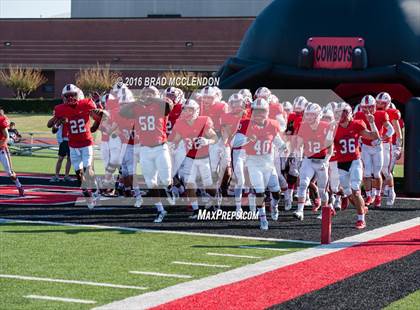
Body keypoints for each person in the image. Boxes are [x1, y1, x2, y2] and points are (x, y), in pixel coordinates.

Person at [47, 84, 107, 209]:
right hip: (73, 144)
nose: (70, 98)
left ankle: (94, 188)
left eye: (72, 95)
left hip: (86, 142)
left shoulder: (86, 104)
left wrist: (100, 115)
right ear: (64, 97)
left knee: (87, 169)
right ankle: (87, 193)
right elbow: (50, 126)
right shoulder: (61, 109)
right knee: (79, 174)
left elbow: (99, 118)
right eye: (67, 96)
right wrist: (55, 121)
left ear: (77, 94)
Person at [333, 102, 379, 229]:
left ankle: (361, 219)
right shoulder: (333, 128)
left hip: (355, 161)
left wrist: (372, 122)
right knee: (348, 192)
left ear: (350, 113)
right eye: (339, 112)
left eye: (344, 112)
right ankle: (362, 208)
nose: (341, 115)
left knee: (355, 190)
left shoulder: (357, 124)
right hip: (341, 163)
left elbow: (373, 136)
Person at [0, 108, 24, 196]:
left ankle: (19, 186)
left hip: (2, 149)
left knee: (10, 173)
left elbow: (6, 137)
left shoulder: (1, 120)